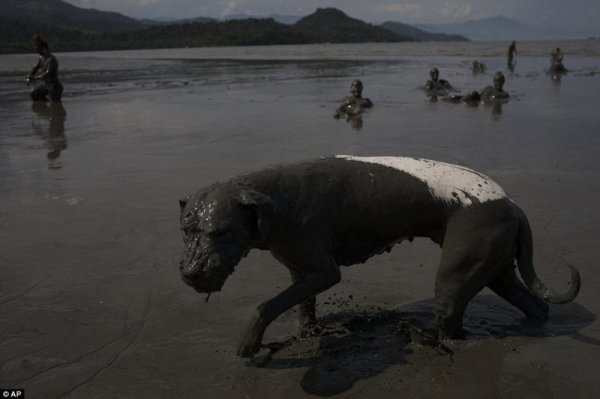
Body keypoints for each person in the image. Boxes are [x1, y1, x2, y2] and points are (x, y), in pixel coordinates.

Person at [27, 34, 63, 102]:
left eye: (38, 50)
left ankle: (53, 109)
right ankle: (44, 110)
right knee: (34, 94)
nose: (37, 52)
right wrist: (29, 75)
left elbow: (47, 73)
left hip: (55, 87)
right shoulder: (41, 58)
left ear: (43, 48)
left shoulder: (51, 59)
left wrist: (35, 78)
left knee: (54, 107)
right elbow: (35, 68)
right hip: (46, 86)